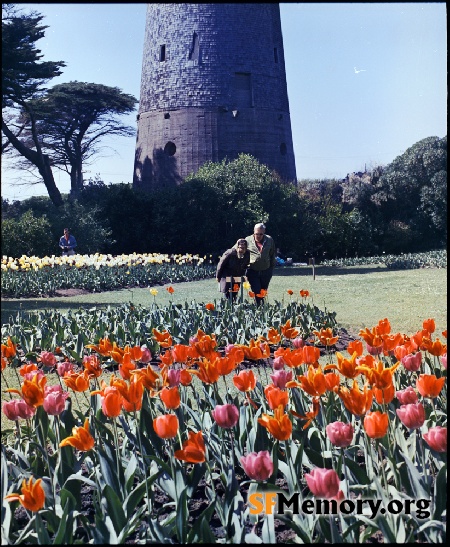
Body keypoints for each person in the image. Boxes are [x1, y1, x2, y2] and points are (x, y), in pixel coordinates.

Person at [245, 223, 276, 305]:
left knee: (263, 291)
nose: (258, 236)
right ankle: (259, 308)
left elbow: (272, 254)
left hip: (266, 271)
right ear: (253, 232)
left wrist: (271, 268)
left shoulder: (269, 239)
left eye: (261, 234)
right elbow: (238, 248)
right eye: (256, 234)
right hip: (253, 271)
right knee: (256, 291)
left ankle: (261, 309)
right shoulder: (247, 240)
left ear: (264, 232)